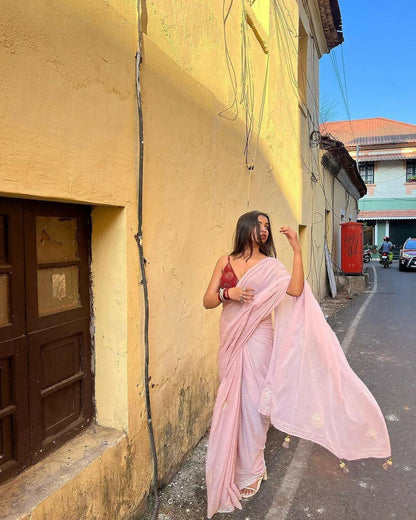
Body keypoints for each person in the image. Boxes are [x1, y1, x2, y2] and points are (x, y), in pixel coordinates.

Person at [203, 210, 391, 518]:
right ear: (245, 227)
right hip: (231, 339)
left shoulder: (273, 267)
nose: (264, 230)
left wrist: (297, 251)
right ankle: (231, 461)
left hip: (259, 339)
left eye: (267, 226)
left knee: (252, 405)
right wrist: (229, 293)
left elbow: (295, 290)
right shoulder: (225, 262)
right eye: (259, 224)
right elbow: (208, 300)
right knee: (229, 402)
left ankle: (252, 467)